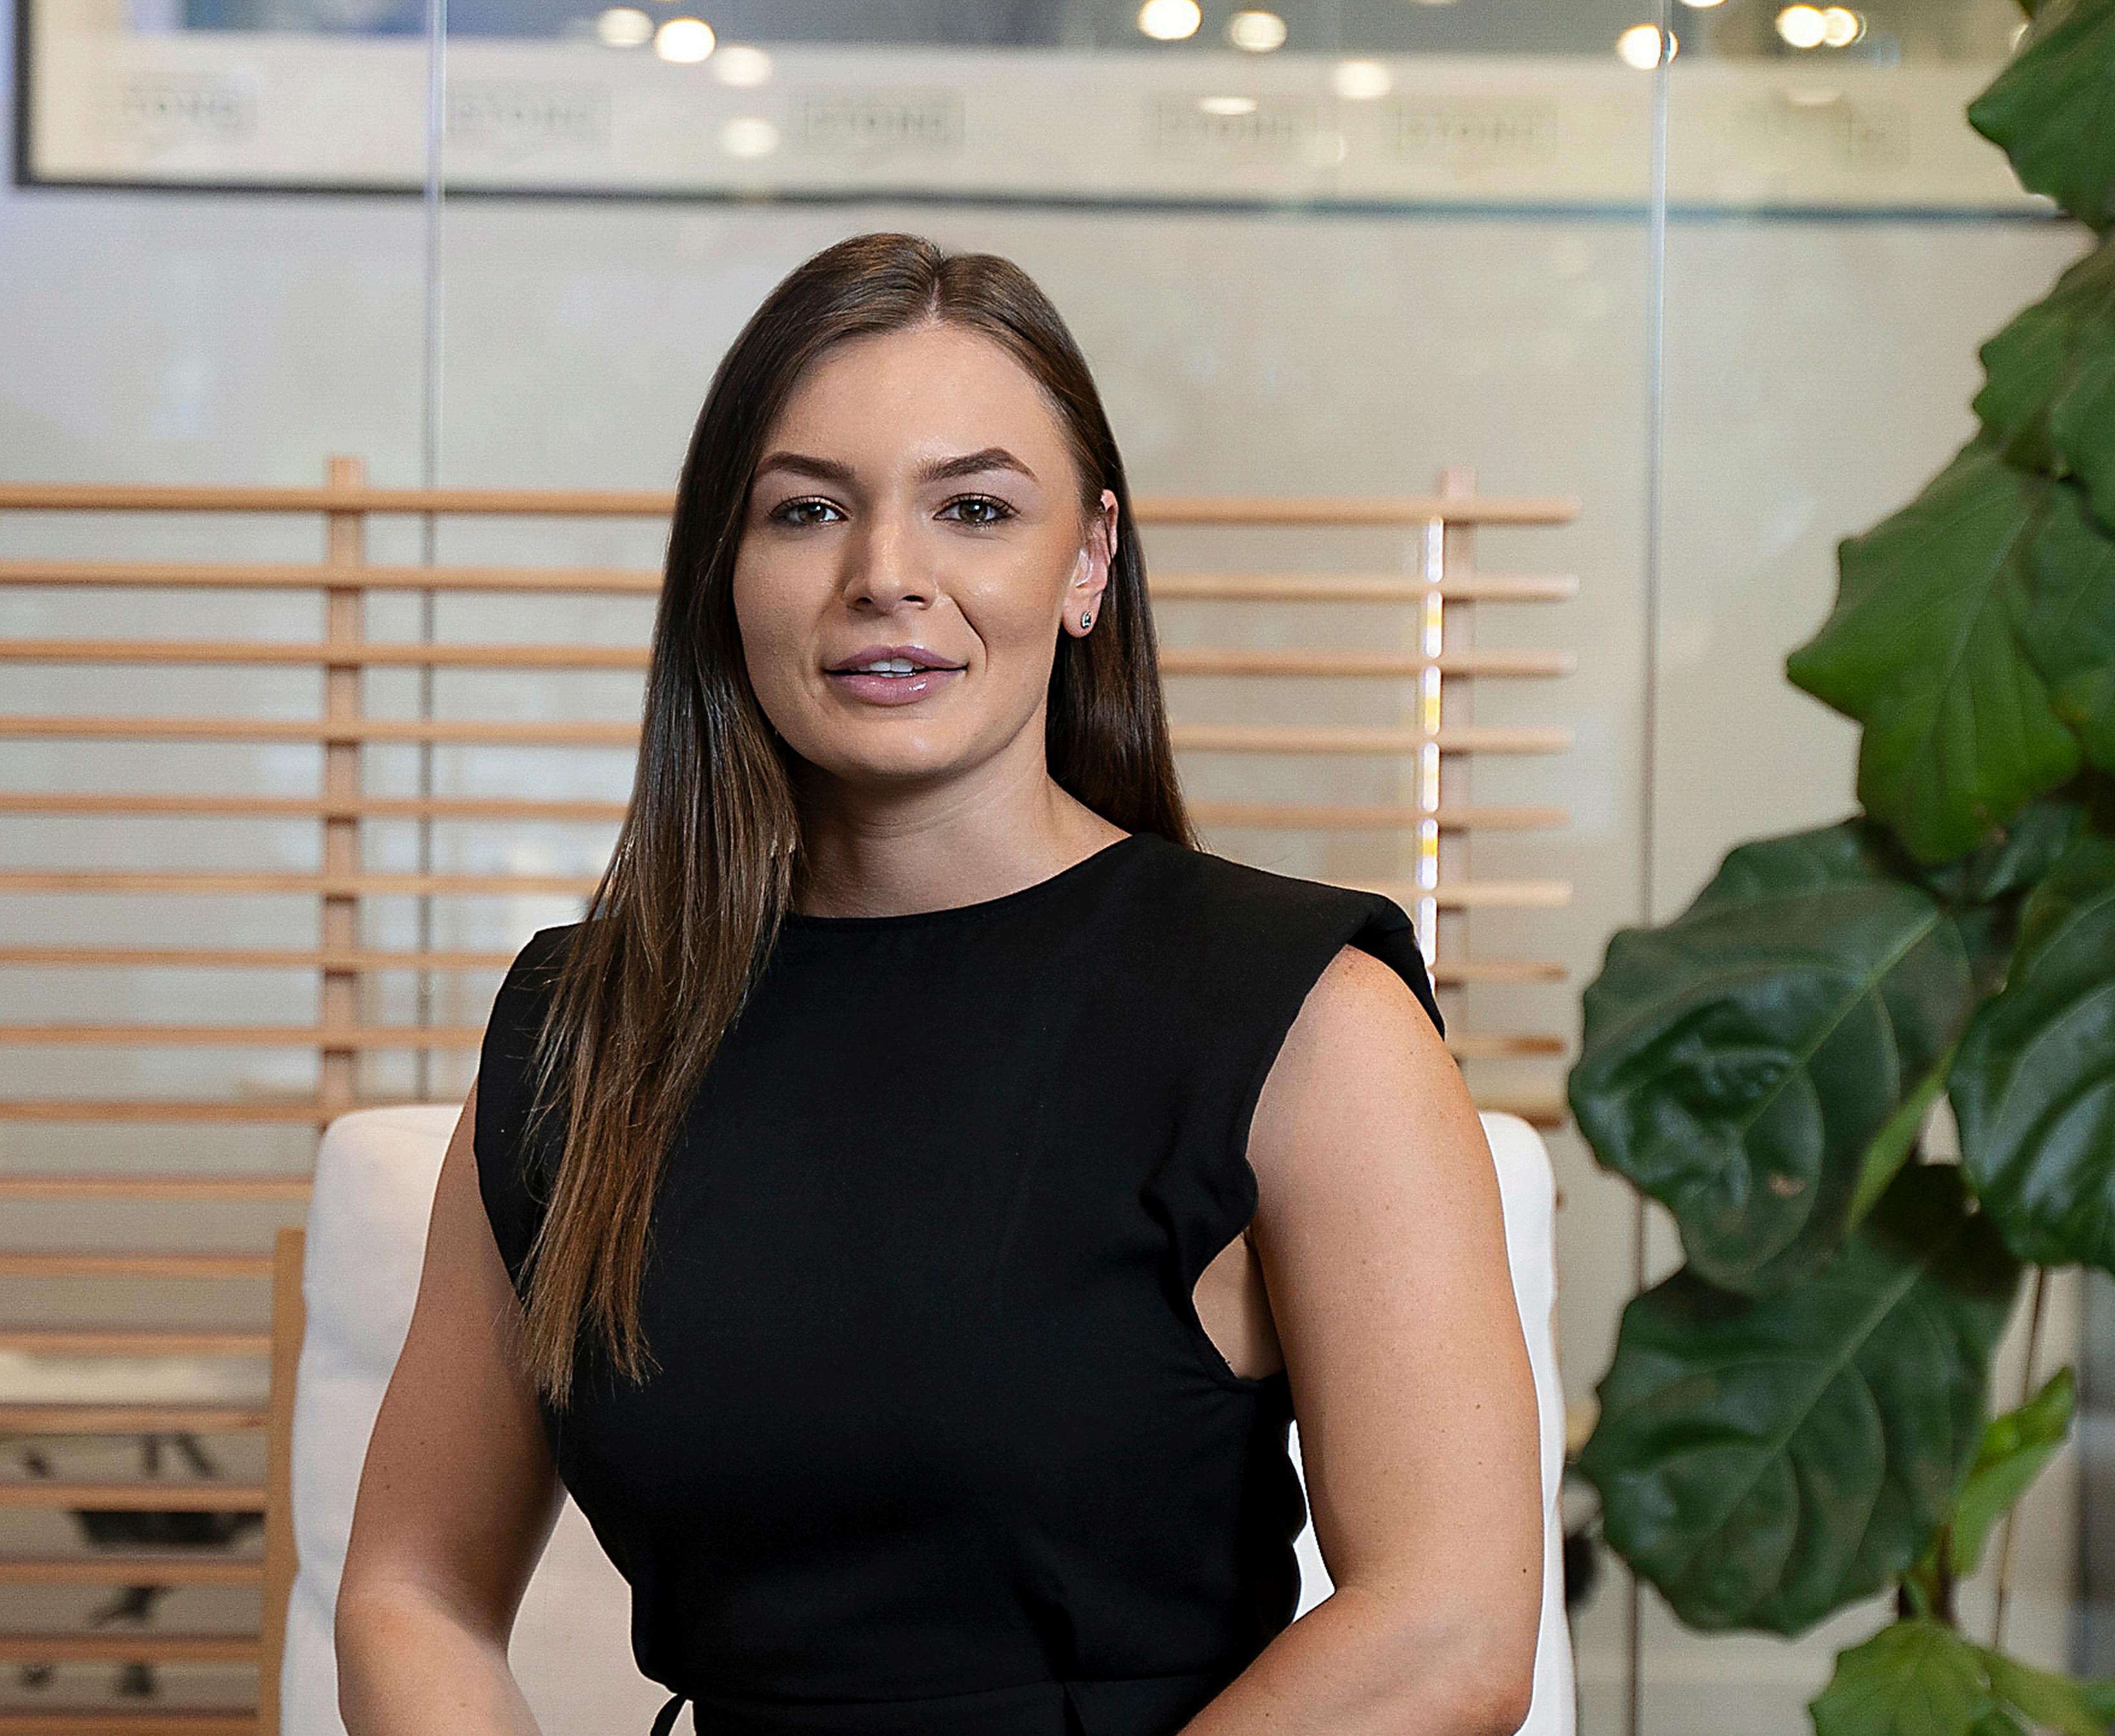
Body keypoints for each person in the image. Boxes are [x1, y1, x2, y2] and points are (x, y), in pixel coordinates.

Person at [334, 231, 1543, 1736]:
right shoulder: (587, 1034)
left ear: (1087, 561)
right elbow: (412, 1589)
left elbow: (1449, 1624)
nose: (885, 577)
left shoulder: (1310, 1018)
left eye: (974, 508)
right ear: (727, 571)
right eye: (808, 510)